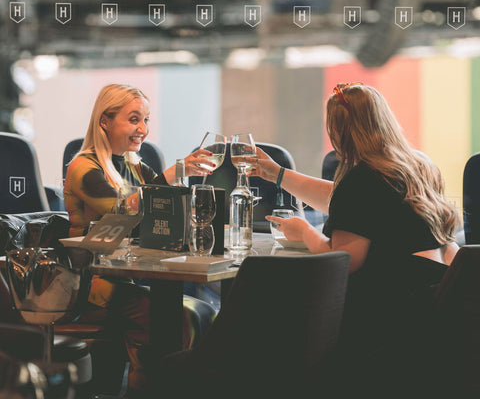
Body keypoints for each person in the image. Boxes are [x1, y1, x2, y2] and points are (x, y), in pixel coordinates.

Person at [249, 83, 461, 395]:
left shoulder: (362, 179)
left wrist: (303, 232)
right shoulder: (416, 167)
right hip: (437, 300)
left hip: (392, 311)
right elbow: (344, 202)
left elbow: (345, 260)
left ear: (339, 132)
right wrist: (277, 174)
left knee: (283, 323)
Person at [63, 83, 216, 398]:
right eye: (134, 119)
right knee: (177, 319)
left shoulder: (135, 166)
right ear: (105, 120)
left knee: (203, 312)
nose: (143, 129)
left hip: (127, 278)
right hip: (87, 284)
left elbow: (161, 210)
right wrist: (175, 172)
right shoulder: (83, 167)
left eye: (146, 120)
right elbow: (122, 208)